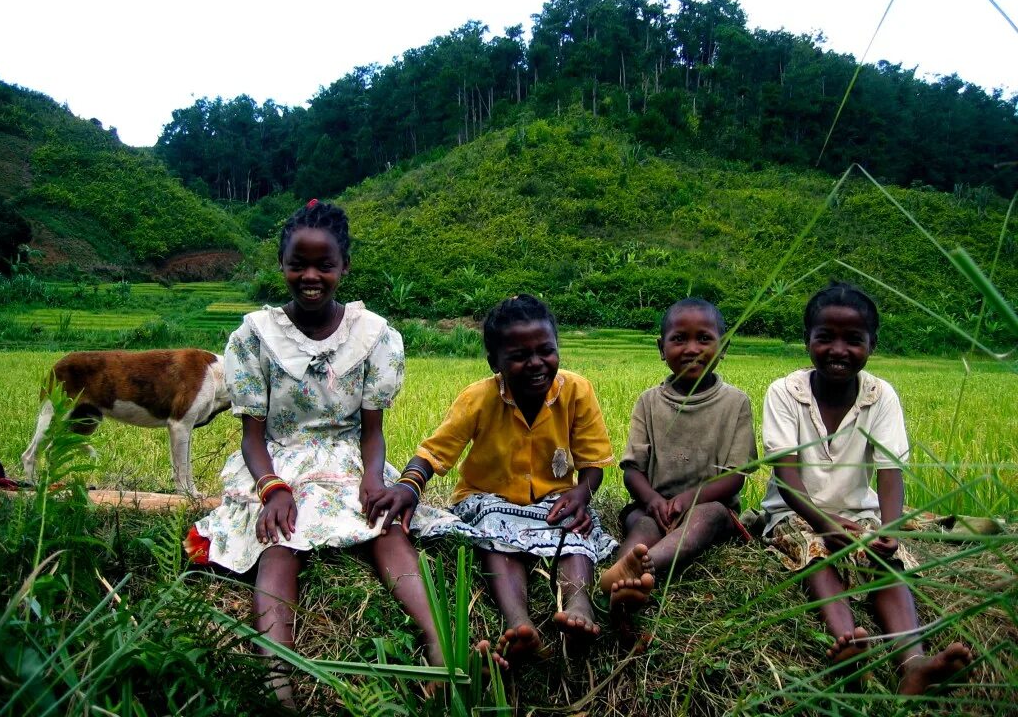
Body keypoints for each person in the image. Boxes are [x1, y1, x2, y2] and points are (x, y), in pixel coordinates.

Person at [185, 200, 451, 705]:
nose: (311, 276)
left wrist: (373, 477)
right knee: (280, 536)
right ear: (282, 264)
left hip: (346, 454)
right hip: (280, 456)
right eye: (298, 264)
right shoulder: (255, 338)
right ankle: (277, 672)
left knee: (385, 524)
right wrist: (272, 489)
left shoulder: (373, 337)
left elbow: (372, 431)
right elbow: (253, 435)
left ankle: (439, 642)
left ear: (343, 267)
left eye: (324, 265)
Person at [367, 294, 617, 670]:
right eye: (518, 356)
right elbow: (436, 452)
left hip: (554, 499)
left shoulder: (576, 392)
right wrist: (408, 485)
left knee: (577, 529)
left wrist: (583, 493)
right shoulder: (479, 398)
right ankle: (518, 620)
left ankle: (579, 604)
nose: (535, 363)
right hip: (489, 499)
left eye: (545, 351)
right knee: (495, 535)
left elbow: (593, 460)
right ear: (494, 363)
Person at [761, 281, 972, 694]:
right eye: (825, 337)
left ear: (872, 345)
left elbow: (890, 472)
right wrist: (825, 523)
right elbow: (788, 479)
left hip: (861, 514)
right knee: (817, 555)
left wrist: (890, 530)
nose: (838, 350)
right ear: (807, 341)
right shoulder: (785, 393)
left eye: (853, 340)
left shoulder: (881, 396)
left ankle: (913, 662)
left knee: (890, 562)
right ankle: (848, 643)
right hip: (796, 514)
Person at [598, 298, 756, 642]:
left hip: (708, 504)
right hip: (654, 506)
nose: (691, 349)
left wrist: (691, 497)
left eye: (704, 339)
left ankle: (646, 567)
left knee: (710, 517)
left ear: (723, 347)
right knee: (640, 526)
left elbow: (735, 476)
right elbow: (632, 470)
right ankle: (623, 573)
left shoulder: (735, 403)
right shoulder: (649, 402)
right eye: (679, 339)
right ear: (661, 347)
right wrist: (653, 499)